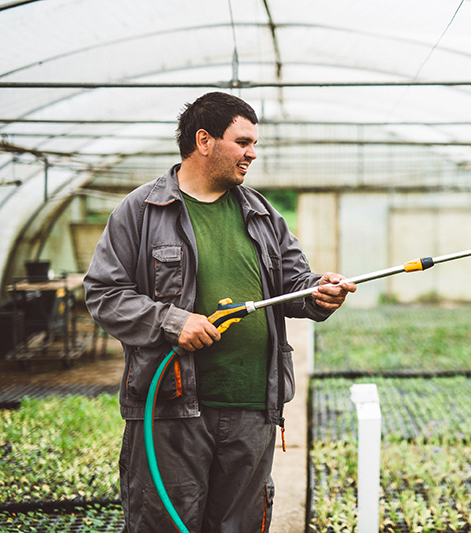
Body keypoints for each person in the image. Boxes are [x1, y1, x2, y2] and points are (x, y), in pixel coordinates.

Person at [83, 91, 356, 533]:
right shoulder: (141, 210)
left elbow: (294, 284)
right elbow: (104, 293)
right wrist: (173, 322)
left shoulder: (262, 213)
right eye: (243, 142)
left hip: (253, 407)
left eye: (254, 144)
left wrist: (318, 294)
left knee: (241, 525)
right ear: (204, 140)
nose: (252, 154)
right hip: (171, 409)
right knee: (164, 523)